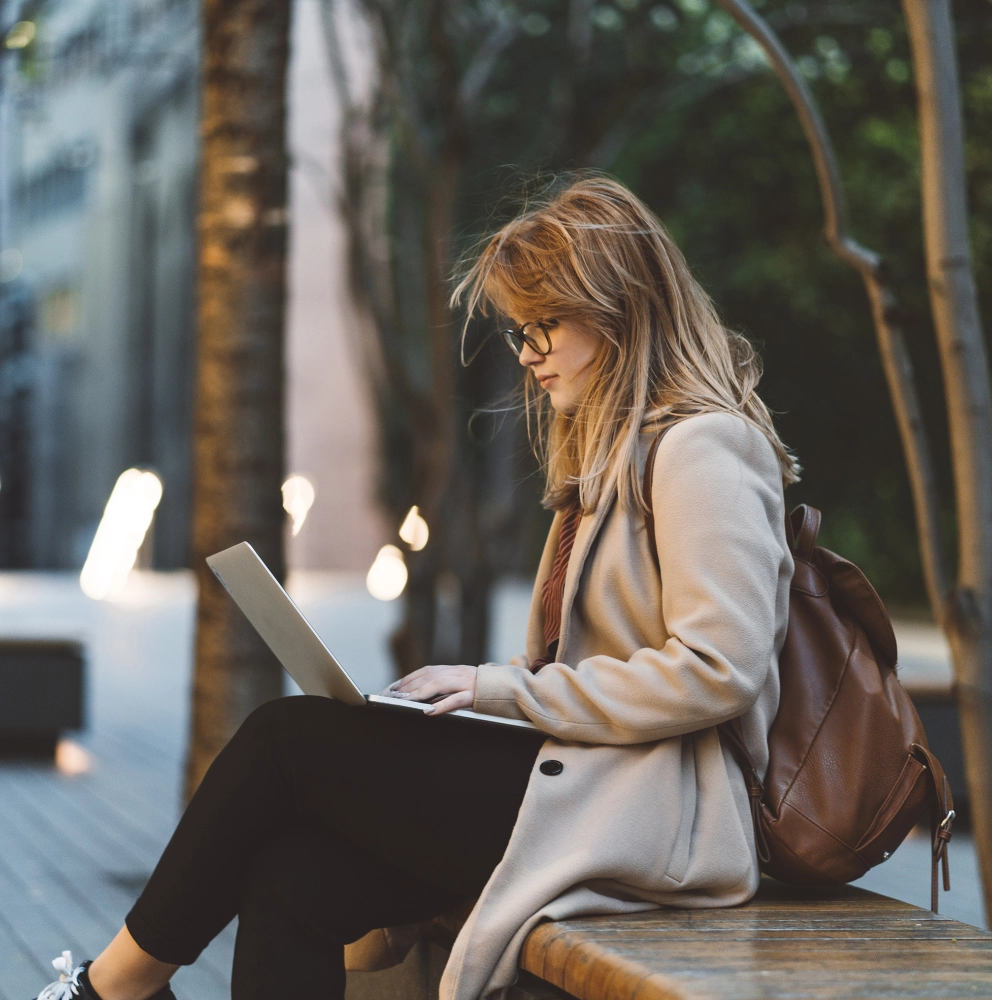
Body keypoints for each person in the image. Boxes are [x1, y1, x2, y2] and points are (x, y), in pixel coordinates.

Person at [34, 176, 796, 1000]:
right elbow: (594, 666)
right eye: (517, 330)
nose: (528, 351)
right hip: (587, 782)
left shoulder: (703, 447)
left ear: (623, 309)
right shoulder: (608, 461)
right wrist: (482, 698)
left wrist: (493, 688)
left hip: (662, 813)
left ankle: (113, 989)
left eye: (546, 324)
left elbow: (720, 669)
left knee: (285, 741)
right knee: (296, 876)